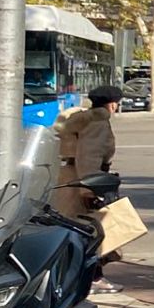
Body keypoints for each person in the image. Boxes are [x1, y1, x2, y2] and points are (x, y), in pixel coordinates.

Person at [55, 83, 123, 221]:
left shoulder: (81, 119)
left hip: (67, 178)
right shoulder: (97, 124)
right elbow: (89, 156)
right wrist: (90, 190)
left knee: (65, 221)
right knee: (82, 227)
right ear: (112, 105)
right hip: (80, 182)